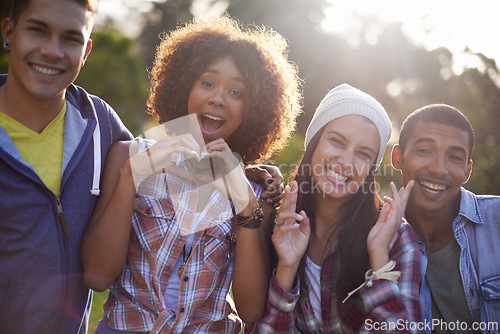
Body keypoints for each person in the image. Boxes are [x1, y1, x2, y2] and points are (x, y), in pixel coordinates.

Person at [80, 15, 302, 333]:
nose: (217, 98)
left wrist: (247, 208)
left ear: (254, 109)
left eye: (236, 93)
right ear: (185, 85)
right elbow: (97, 276)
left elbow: (251, 309)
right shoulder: (127, 157)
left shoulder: (256, 193)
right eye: (207, 83)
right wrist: (130, 178)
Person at [0, 0, 133, 333]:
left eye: (71, 39)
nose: (52, 50)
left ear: (86, 51)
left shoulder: (100, 122)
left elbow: (159, 164)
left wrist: (244, 175)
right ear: (9, 33)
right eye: (38, 30)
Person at [248, 83, 422, 333]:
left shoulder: (396, 239)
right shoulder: (278, 223)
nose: (346, 162)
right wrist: (286, 267)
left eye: (363, 154)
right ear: (313, 144)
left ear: (372, 168)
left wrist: (379, 258)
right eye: (337, 142)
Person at [391, 104, 500, 334]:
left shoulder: (497, 220)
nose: (439, 169)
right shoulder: (374, 236)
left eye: (454, 156)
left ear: (467, 170)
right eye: (425, 151)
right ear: (398, 157)